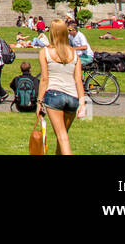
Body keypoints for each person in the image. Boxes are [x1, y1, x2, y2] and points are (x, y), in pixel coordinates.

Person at [39, 20, 87, 154]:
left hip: (54, 95)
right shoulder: (73, 53)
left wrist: (39, 102)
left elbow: (44, 79)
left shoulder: (46, 52)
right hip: (73, 98)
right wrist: (82, 103)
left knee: (62, 137)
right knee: (63, 135)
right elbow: (78, 80)